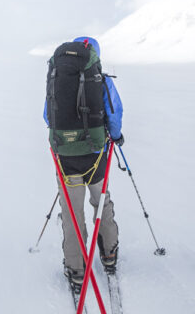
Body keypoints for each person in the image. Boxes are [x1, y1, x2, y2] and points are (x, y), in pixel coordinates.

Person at [43, 36, 124, 290]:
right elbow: (114, 113)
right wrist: (117, 136)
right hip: (95, 154)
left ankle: (76, 270)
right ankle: (109, 256)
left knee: (71, 211)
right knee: (102, 202)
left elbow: (47, 115)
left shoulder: (56, 78)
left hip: (66, 157)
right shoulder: (100, 79)